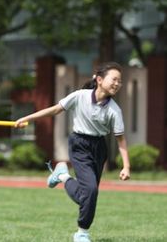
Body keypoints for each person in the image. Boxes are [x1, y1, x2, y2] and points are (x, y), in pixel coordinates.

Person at [14, 61, 131, 242]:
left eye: (120, 81)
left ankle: (63, 176)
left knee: (88, 195)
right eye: (114, 79)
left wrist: (126, 166)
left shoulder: (115, 110)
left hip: (99, 148)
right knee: (90, 191)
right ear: (99, 80)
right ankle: (82, 233)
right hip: (79, 145)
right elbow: (55, 110)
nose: (117, 84)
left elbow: (121, 139)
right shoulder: (80, 96)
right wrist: (27, 117)